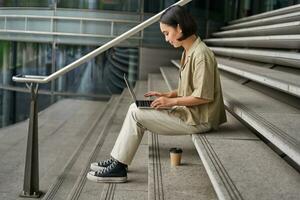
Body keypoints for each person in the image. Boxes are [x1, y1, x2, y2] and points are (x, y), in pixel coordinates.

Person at [86, 5, 227, 183]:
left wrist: (170, 103)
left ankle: (119, 167)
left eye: (166, 33)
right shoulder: (189, 51)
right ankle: (117, 161)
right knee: (134, 108)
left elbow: (203, 96)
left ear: (180, 28)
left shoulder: (201, 56)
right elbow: (191, 89)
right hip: (191, 114)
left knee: (136, 114)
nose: (166, 39)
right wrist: (168, 94)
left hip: (199, 120)